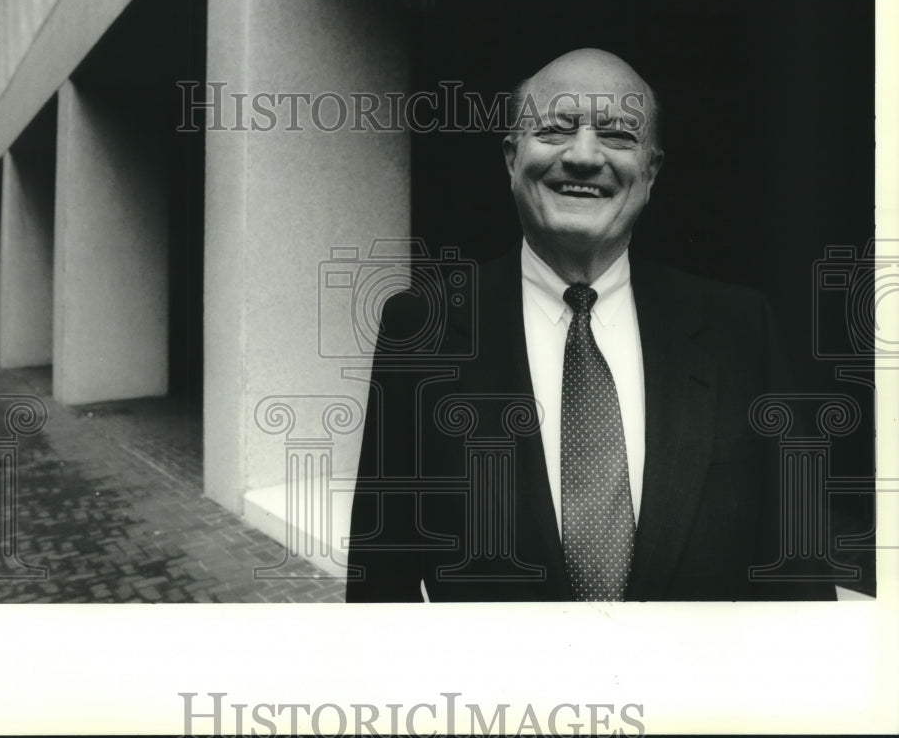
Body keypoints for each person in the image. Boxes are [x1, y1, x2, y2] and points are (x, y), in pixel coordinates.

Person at [345, 48, 834, 602]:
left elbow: (800, 580)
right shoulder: (421, 328)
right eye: (555, 129)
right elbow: (380, 584)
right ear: (511, 158)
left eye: (619, 135)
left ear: (650, 173)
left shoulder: (744, 330)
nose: (583, 155)